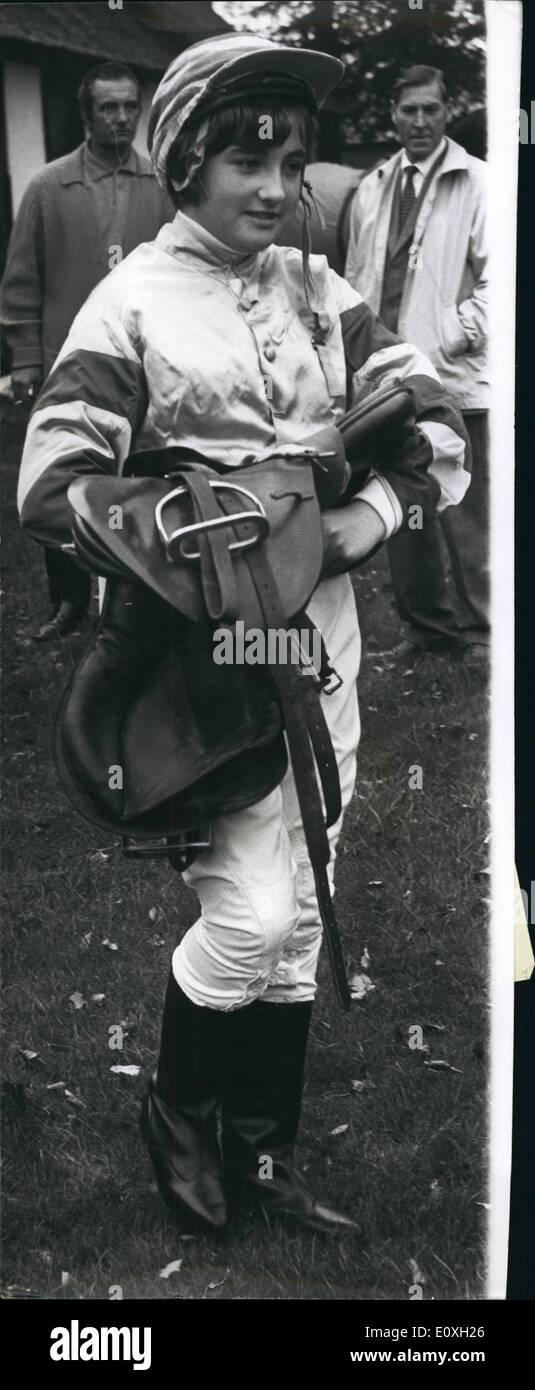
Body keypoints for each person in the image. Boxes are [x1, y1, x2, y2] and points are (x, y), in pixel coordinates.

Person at [17, 34, 470, 1235]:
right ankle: (175, 1112)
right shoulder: (133, 304)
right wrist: (208, 531)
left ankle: (260, 1158)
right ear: (182, 164)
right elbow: (54, 480)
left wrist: (361, 520)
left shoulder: (323, 293)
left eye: (292, 161)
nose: (273, 188)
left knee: (307, 907)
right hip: (203, 653)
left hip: (324, 643)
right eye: (244, 161)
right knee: (256, 915)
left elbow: (433, 440)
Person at [0, 60, 172, 641]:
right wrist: (25, 359)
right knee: (65, 473)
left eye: (130, 107)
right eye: (109, 108)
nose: (122, 118)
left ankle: (137, 597)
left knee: (139, 476)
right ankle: (70, 603)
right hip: (67, 361)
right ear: (86, 114)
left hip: (145, 362)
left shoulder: (162, 184)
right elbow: (21, 279)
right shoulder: (49, 186)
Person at [345, 66, 488, 661]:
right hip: (391, 381)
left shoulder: (479, 182)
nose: (420, 122)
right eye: (409, 111)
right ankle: (428, 630)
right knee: (405, 504)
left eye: (431, 109)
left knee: (469, 515)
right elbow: (357, 279)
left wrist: (452, 337)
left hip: (454, 376)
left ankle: (485, 631)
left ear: (447, 110)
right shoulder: (374, 185)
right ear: (394, 115)